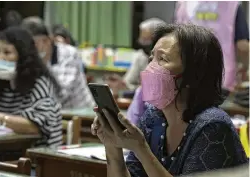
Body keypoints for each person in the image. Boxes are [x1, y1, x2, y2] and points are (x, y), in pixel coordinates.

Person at [91, 24, 248, 177]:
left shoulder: (212, 126)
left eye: (162, 59)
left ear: (194, 74)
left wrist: (141, 149)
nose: (150, 68)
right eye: (152, 58)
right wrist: (112, 145)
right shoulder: (152, 118)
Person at [0, 27, 62, 147]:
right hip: (7, 152)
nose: (0, 58)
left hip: (37, 156)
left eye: (7, 53)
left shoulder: (39, 84)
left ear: (23, 56)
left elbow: (35, 127)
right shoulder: (1, 85)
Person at [174, 1, 249, 94]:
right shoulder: (232, 4)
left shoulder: (183, 3)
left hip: (188, 73)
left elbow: (176, 39)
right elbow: (243, 46)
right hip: (221, 76)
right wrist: (244, 66)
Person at [21, 17, 95, 109]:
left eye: (33, 43)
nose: (29, 48)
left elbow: (62, 94)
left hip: (79, 112)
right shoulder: (30, 57)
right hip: (51, 112)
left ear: (47, 40)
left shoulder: (68, 53)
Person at [105, 18, 166, 93]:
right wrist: (121, 83)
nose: (144, 43)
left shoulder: (167, 60)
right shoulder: (141, 56)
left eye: (147, 40)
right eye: (143, 39)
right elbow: (128, 82)